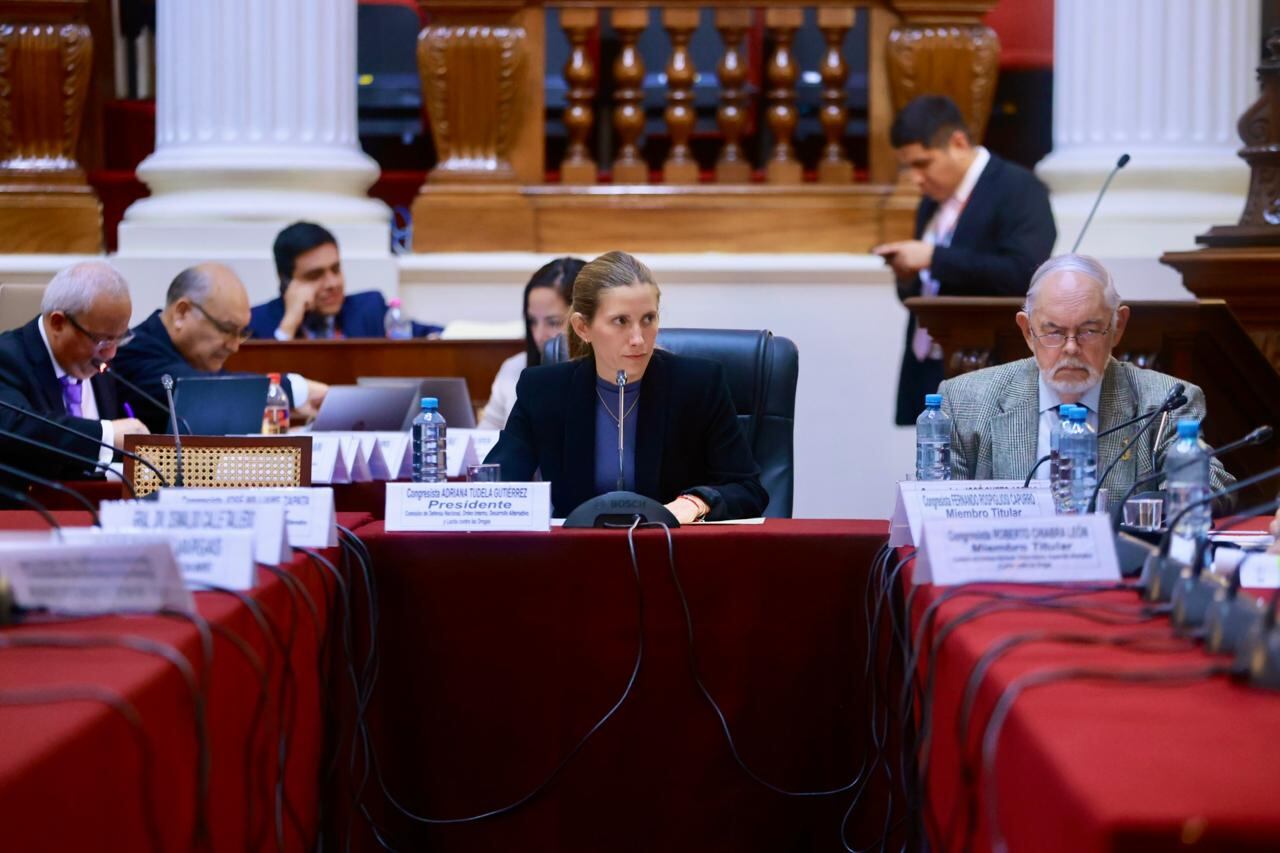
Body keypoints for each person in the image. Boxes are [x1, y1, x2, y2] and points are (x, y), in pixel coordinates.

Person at [485, 251, 768, 522]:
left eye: (648, 319)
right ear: (583, 328)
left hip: (672, 548)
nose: (638, 339)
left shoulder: (699, 385)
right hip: (577, 551)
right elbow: (494, 488)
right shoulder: (544, 390)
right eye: (620, 321)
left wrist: (695, 503)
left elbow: (748, 490)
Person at [938, 254, 1234, 499]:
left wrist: (1171, 499)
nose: (1071, 348)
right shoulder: (966, 401)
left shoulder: (1164, 402)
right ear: (1027, 331)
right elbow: (938, 509)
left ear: (1117, 327)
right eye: (1054, 332)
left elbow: (1211, 484)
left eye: (1089, 331)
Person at [873, 94, 1056, 426]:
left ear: (958, 143)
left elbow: (1023, 272)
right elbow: (927, 292)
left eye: (922, 163)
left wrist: (933, 257)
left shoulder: (1019, 187)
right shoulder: (932, 200)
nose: (915, 178)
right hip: (931, 360)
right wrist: (907, 274)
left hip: (988, 362)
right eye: (908, 167)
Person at [111, 263, 328, 433]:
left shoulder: (195, 360)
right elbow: (204, 394)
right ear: (182, 313)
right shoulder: (133, 352)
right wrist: (292, 390)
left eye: (241, 333)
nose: (234, 346)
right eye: (227, 329)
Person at [0, 261, 149, 479]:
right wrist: (106, 435)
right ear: (58, 323)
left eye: (119, 339)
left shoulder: (97, 362)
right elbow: (14, 427)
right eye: (103, 341)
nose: (111, 353)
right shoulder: (7, 358)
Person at [248, 221, 441, 340]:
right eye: (315, 275)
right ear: (286, 281)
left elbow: (433, 335)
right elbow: (263, 386)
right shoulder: (257, 324)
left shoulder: (370, 309)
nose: (332, 284)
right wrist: (288, 327)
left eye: (336, 269)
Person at [477, 257, 585, 431]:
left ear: (584, 322)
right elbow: (485, 437)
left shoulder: (607, 377)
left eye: (553, 322)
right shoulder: (514, 368)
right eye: (532, 322)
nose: (539, 335)